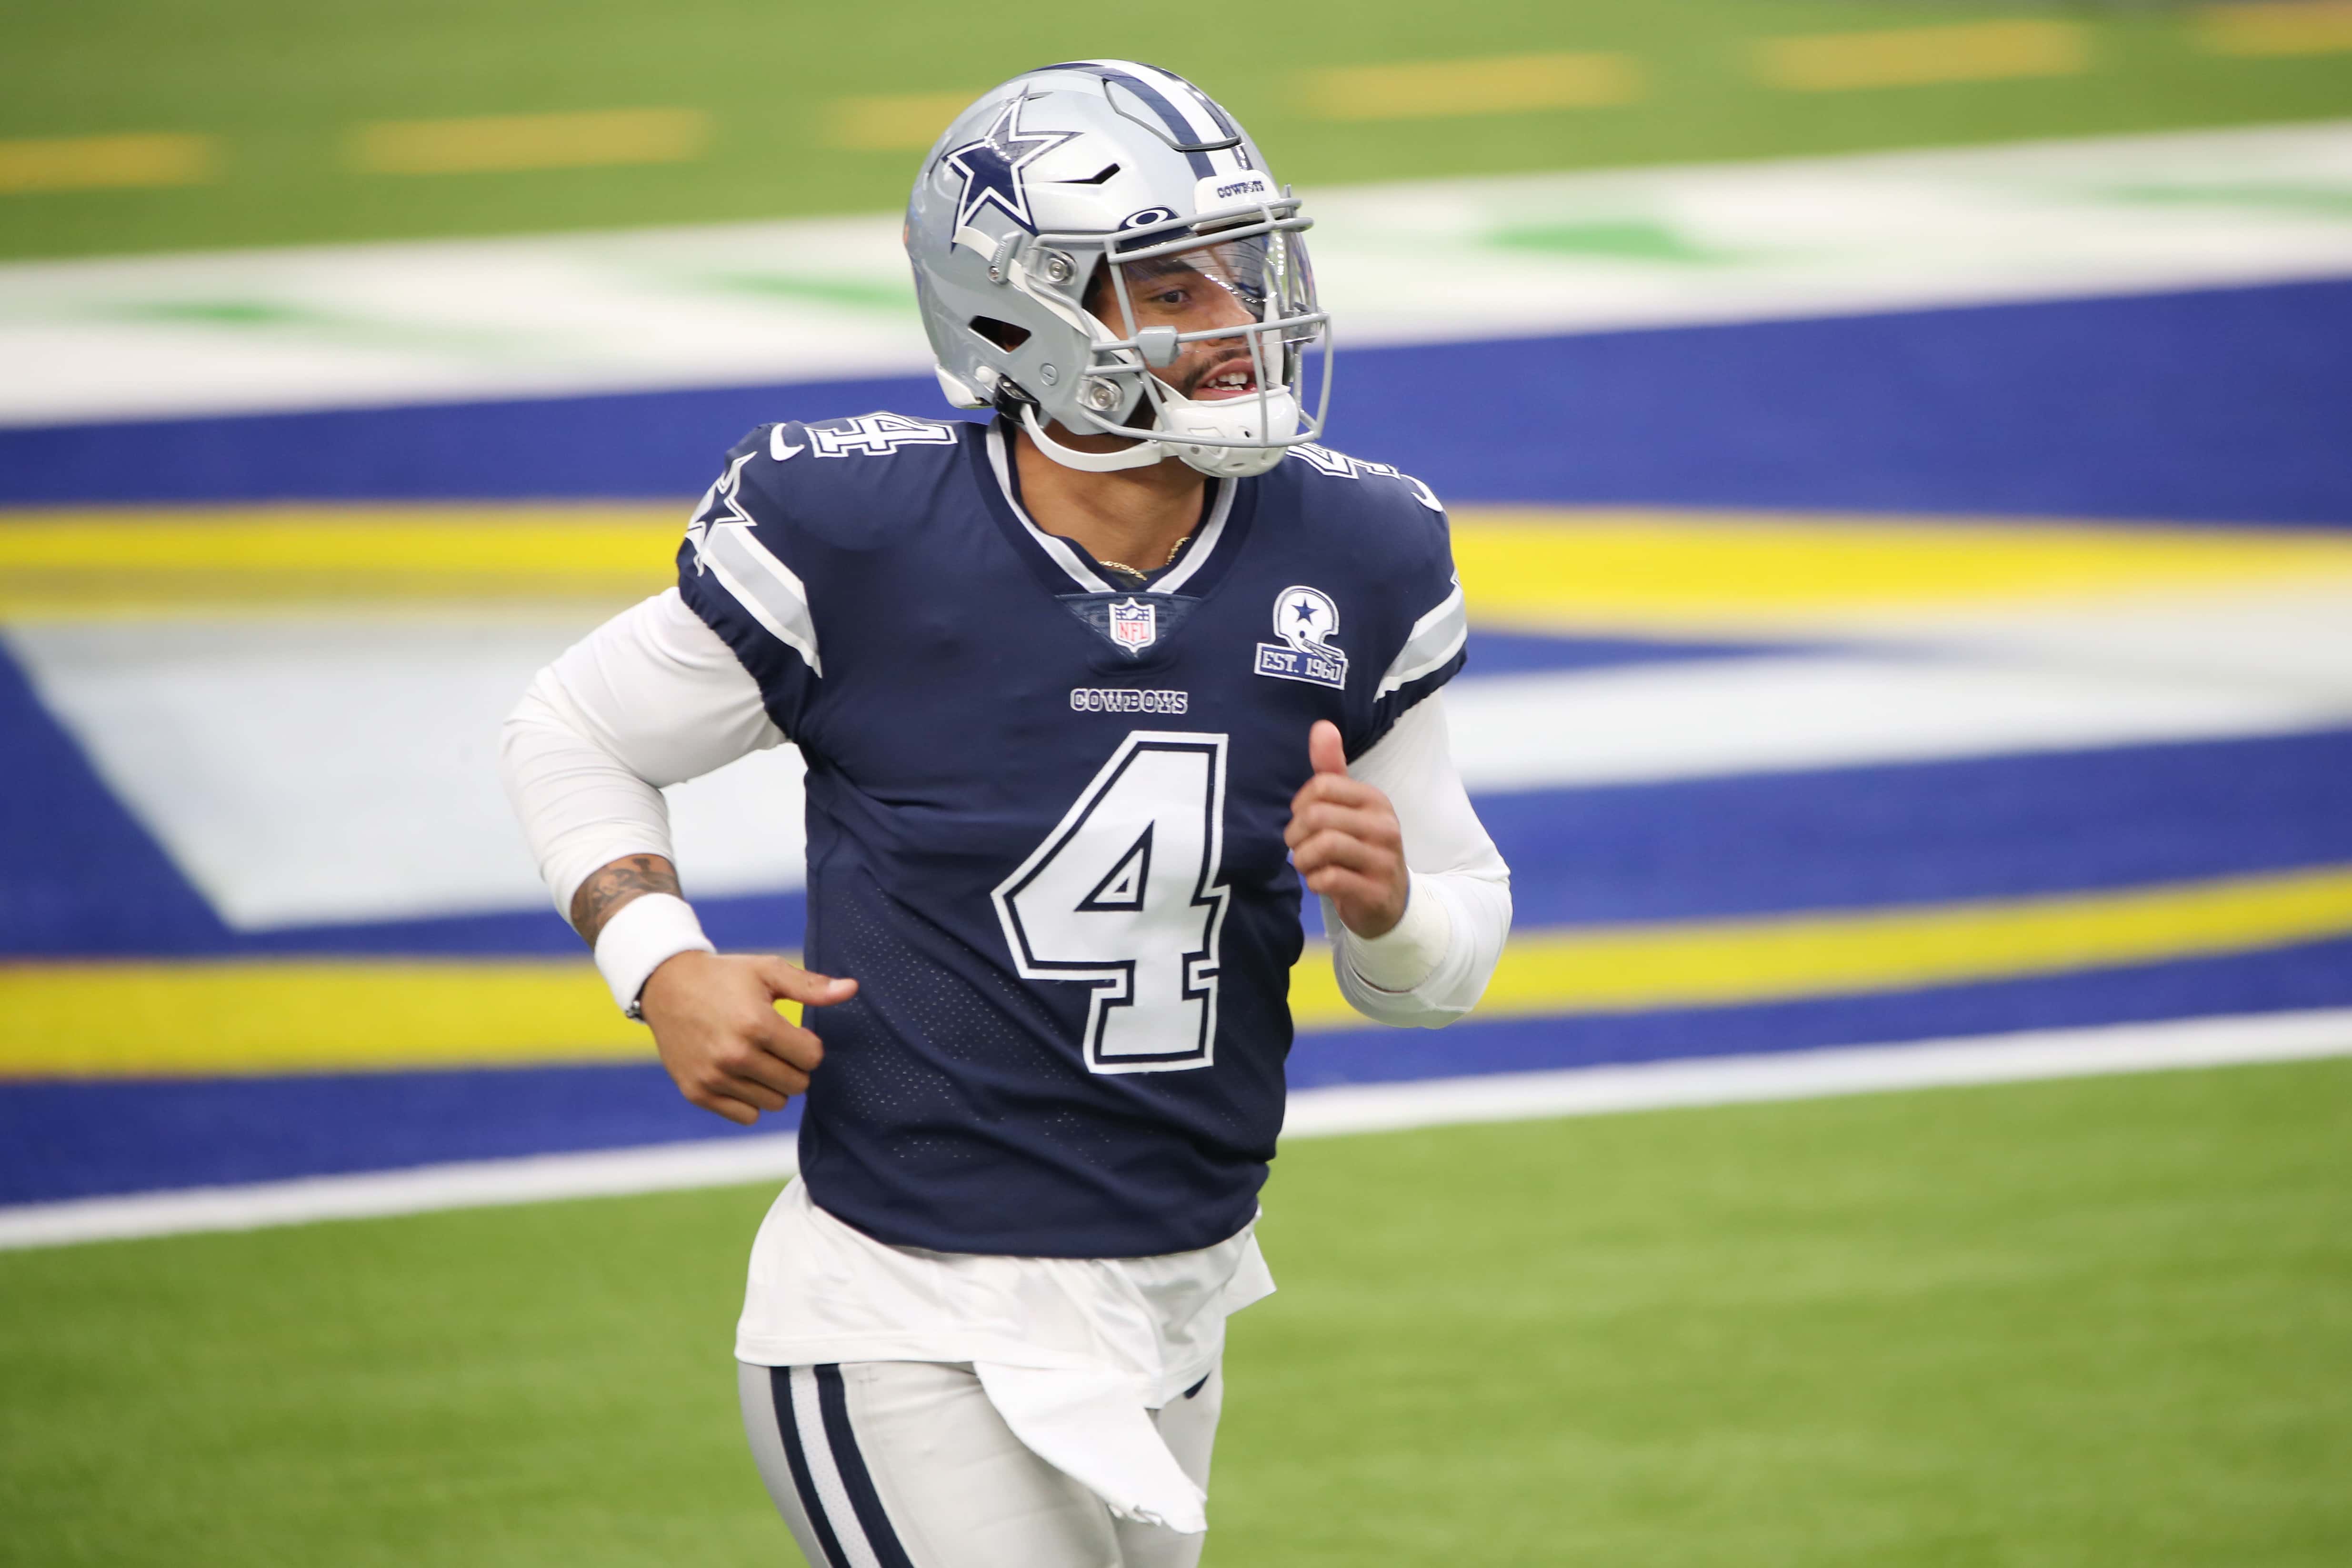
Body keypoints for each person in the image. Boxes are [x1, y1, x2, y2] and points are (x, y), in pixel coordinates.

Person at [500, 60, 1510, 1568]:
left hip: (1179, 1289)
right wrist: (659, 960)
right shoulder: (862, 534)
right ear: (1013, 312)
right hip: (907, 1303)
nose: (1233, 320)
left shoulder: (1358, 550)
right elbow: (571, 728)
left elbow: (1442, 965)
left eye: (1241, 271)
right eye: (1166, 286)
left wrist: (1390, 910)